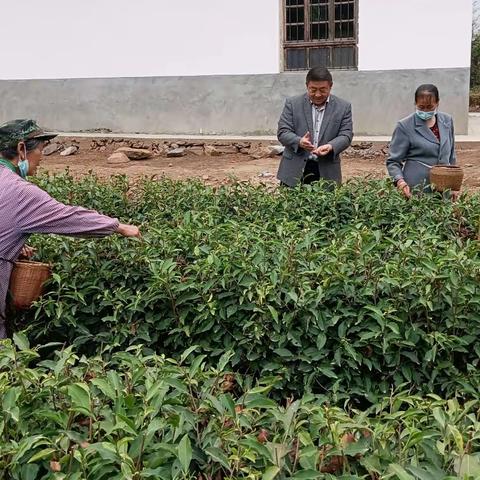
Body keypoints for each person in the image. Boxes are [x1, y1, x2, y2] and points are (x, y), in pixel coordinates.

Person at [0, 119, 141, 339]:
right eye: (41, 149)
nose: (41, 157)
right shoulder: (20, 192)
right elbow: (68, 216)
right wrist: (118, 226)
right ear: (21, 149)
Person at [276, 66, 353, 187]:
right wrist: (299, 141)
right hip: (294, 170)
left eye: (323, 90)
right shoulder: (293, 104)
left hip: (327, 171)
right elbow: (283, 132)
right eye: (313, 90)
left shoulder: (343, 107)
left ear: (330, 86)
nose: (317, 94)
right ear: (307, 86)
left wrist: (331, 146)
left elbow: (346, 135)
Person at [386, 84, 457, 198]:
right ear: (415, 104)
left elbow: (451, 154)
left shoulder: (447, 121)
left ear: (437, 103)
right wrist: (400, 182)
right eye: (421, 107)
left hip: (444, 189)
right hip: (417, 188)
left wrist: (453, 185)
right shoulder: (404, 126)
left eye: (430, 107)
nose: (425, 111)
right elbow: (393, 161)